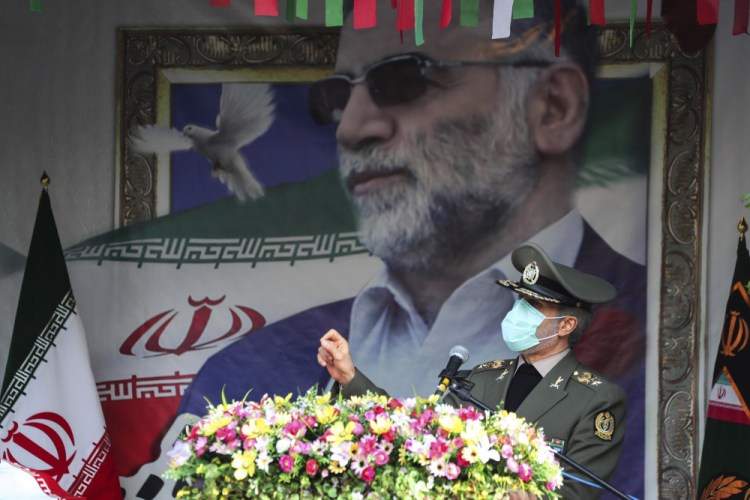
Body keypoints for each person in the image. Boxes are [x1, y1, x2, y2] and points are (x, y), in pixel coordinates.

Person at [179, 0, 645, 495]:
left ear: (554, 107)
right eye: (338, 96)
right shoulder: (248, 375)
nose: (351, 128)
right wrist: (350, 376)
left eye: (403, 80)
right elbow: (403, 430)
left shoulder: (649, 343)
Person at [318, 242, 626, 500]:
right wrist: (349, 376)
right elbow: (416, 435)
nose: (519, 311)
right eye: (520, 300)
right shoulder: (482, 377)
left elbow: (579, 491)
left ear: (566, 325)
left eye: (534, 305)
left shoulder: (597, 398)